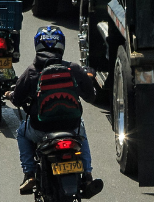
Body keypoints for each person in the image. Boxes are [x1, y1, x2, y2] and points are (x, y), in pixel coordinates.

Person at [9, 26, 103, 197]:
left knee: (21, 133)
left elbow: (16, 99)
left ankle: (29, 174)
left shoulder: (31, 71)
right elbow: (91, 97)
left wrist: (11, 94)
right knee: (82, 130)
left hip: (40, 130)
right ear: (62, 45)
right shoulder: (73, 69)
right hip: (71, 128)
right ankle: (88, 175)